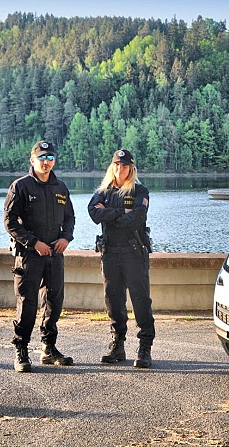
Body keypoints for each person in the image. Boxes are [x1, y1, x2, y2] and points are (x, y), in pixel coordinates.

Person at [4, 140, 75, 373]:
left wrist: (66, 238)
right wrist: (34, 243)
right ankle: (21, 350)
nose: (46, 162)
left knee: (54, 302)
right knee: (28, 303)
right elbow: (10, 222)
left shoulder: (60, 187)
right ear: (32, 160)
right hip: (29, 256)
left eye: (50, 158)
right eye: (42, 158)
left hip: (55, 255)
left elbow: (69, 218)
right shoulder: (21, 187)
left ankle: (49, 349)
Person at [88, 149, 155, 368]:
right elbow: (93, 213)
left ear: (131, 168)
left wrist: (109, 212)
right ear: (112, 167)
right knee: (113, 300)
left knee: (140, 300)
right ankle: (118, 344)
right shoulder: (103, 192)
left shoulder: (140, 191)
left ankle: (145, 346)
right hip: (110, 253)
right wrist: (120, 213)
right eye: (117, 165)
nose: (120, 169)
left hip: (133, 252)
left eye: (124, 166)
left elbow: (136, 219)